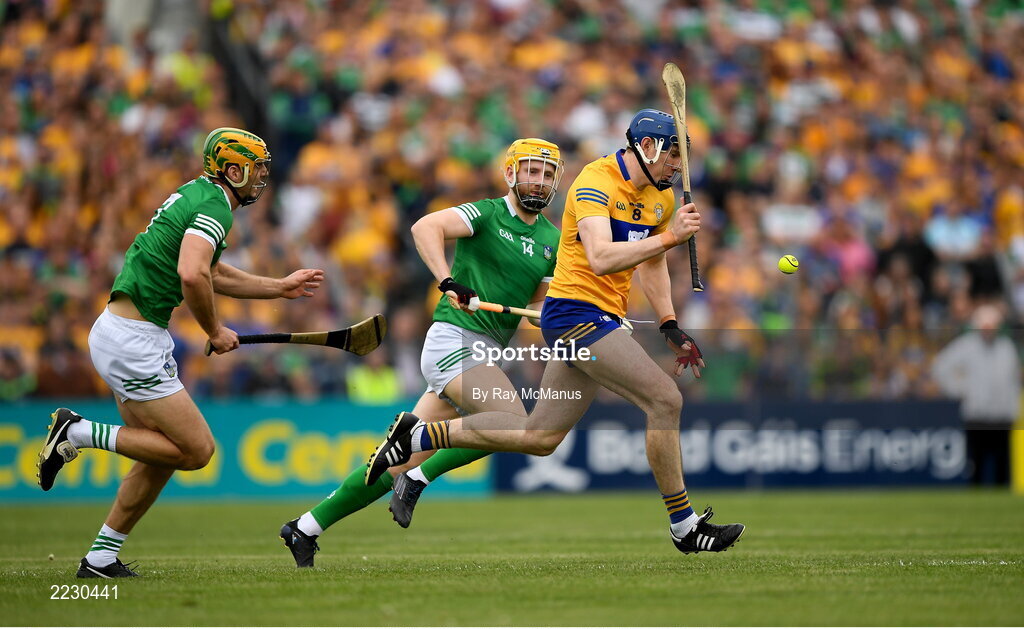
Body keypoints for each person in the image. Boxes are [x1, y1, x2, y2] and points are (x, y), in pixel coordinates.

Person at [365, 109, 746, 554]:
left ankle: (417, 437)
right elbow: (602, 257)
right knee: (665, 399)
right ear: (647, 147)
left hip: (604, 316)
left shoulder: (660, 199)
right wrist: (669, 238)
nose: (677, 167)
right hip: (573, 314)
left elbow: (653, 263)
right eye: (673, 156)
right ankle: (684, 526)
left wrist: (669, 323)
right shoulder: (594, 182)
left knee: (540, 437)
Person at [36, 128, 325, 578]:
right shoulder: (214, 206)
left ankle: (99, 558)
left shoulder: (200, 195)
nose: (263, 176)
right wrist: (214, 328)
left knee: (161, 455)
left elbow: (208, 270)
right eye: (257, 167)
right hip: (133, 341)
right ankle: (77, 433)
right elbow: (193, 276)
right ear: (234, 169)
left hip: (125, 333)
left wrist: (278, 288)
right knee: (196, 451)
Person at [279, 139, 564, 567]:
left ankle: (305, 528)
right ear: (510, 173)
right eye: (530, 171)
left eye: (546, 174)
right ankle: (418, 474)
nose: (538, 181)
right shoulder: (485, 214)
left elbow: (546, 301)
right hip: (455, 340)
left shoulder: (551, 241)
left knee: (391, 465)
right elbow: (424, 228)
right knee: (513, 424)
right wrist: (448, 281)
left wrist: (546, 315)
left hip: (487, 352)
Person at [931, 304, 1021, 486]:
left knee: (1002, 466)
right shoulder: (967, 345)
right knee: (977, 463)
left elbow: (1013, 381)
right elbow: (941, 367)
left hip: (1001, 416)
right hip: (977, 415)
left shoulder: (1006, 347)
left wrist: (1013, 408)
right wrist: (959, 390)